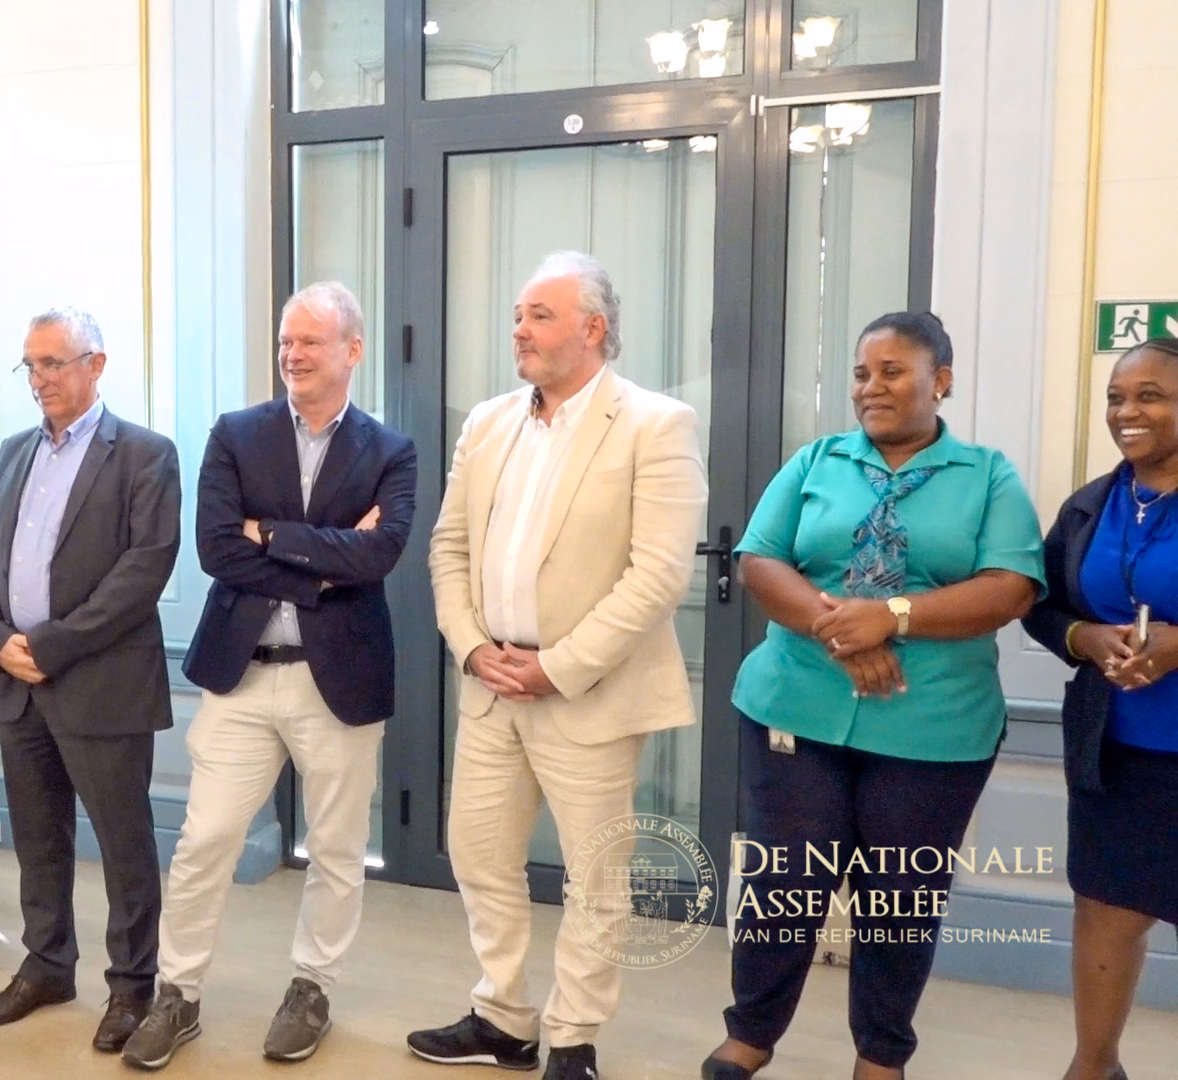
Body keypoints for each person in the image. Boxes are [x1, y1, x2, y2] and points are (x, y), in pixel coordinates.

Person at [703, 311, 1042, 1080]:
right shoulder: (816, 461)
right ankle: (750, 1033)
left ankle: (881, 1054)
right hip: (795, 709)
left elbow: (1011, 587)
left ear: (940, 381)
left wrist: (891, 616)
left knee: (899, 895)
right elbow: (760, 560)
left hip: (934, 728)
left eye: (892, 371)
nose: (871, 387)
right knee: (785, 882)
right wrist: (844, 632)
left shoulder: (988, 476)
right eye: (862, 373)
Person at [409, 252, 707, 1080]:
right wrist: (472, 647)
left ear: (593, 328)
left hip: (588, 693)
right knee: (479, 856)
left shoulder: (656, 424)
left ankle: (573, 1038)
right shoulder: (487, 423)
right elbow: (448, 548)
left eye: (539, 315)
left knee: (595, 877)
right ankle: (503, 1019)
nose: (520, 330)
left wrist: (558, 667)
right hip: (491, 686)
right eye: (518, 315)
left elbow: (658, 576)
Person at [122, 282, 416, 1070]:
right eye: (287, 340)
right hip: (243, 676)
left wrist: (271, 535)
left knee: (337, 848)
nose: (293, 354)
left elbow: (381, 555)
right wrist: (325, 563)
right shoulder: (237, 434)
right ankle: (177, 994)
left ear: (353, 350)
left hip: (340, 680)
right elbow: (218, 549)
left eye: (310, 341)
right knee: (205, 838)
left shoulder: (391, 451)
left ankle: (312, 987)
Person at [0, 307, 181, 1051]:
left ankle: (132, 986)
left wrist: (52, 644)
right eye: (29, 365)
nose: (38, 379)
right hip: (19, 682)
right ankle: (48, 965)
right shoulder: (13, 453)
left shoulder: (146, 455)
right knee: (38, 839)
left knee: (123, 844)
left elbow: (143, 571)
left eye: (53, 363)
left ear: (96, 364)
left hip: (102, 682)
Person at [1022, 337, 1178, 1080]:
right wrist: (1083, 637)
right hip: (1115, 754)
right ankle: (1092, 1068)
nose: (1126, 412)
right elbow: (1040, 604)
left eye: (1150, 395)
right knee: (1106, 913)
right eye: (1117, 397)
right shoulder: (1091, 505)